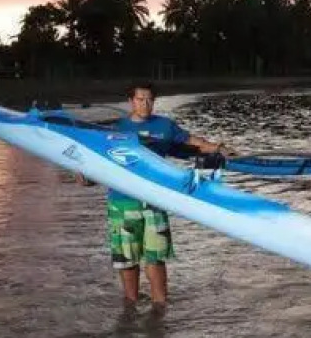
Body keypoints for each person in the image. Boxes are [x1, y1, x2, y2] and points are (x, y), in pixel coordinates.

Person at [77, 81, 228, 308]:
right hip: (122, 202)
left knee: (155, 258)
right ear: (131, 102)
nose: (145, 104)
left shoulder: (165, 126)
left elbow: (193, 142)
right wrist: (81, 172)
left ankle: (160, 307)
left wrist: (218, 147)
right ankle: (131, 304)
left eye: (149, 100)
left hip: (154, 202)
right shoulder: (115, 130)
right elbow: (95, 165)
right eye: (140, 99)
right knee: (127, 260)